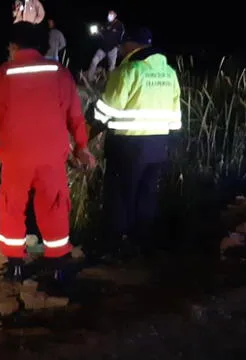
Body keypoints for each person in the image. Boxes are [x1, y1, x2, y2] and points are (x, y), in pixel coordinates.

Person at [0, 21, 96, 282]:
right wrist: (82, 148)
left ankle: (15, 266)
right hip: (52, 157)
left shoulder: (1, 74)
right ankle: (57, 265)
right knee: (54, 205)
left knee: (12, 207)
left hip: (16, 157)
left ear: (13, 45)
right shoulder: (60, 72)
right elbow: (75, 117)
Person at [89, 27, 181, 259]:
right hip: (158, 145)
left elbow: (105, 112)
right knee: (146, 195)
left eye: (122, 44)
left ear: (131, 45)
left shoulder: (127, 70)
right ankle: (142, 245)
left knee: (120, 196)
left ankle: (115, 247)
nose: (119, 48)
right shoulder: (169, 73)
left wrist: (86, 131)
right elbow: (175, 119)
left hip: (128, 145)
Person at [86, 10, 124, 81]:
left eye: (111, 14)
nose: (109, 16)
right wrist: (95, 33)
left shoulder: (119, 25)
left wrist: (118, 46)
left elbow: (121, 36)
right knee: (94, 61)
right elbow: (100, 34)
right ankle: (90, 79)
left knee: (111, 67)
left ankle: (111, 82)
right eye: (109, 14)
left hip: (113, 48)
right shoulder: (105, 24)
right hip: (103, 48)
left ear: (115, 15)